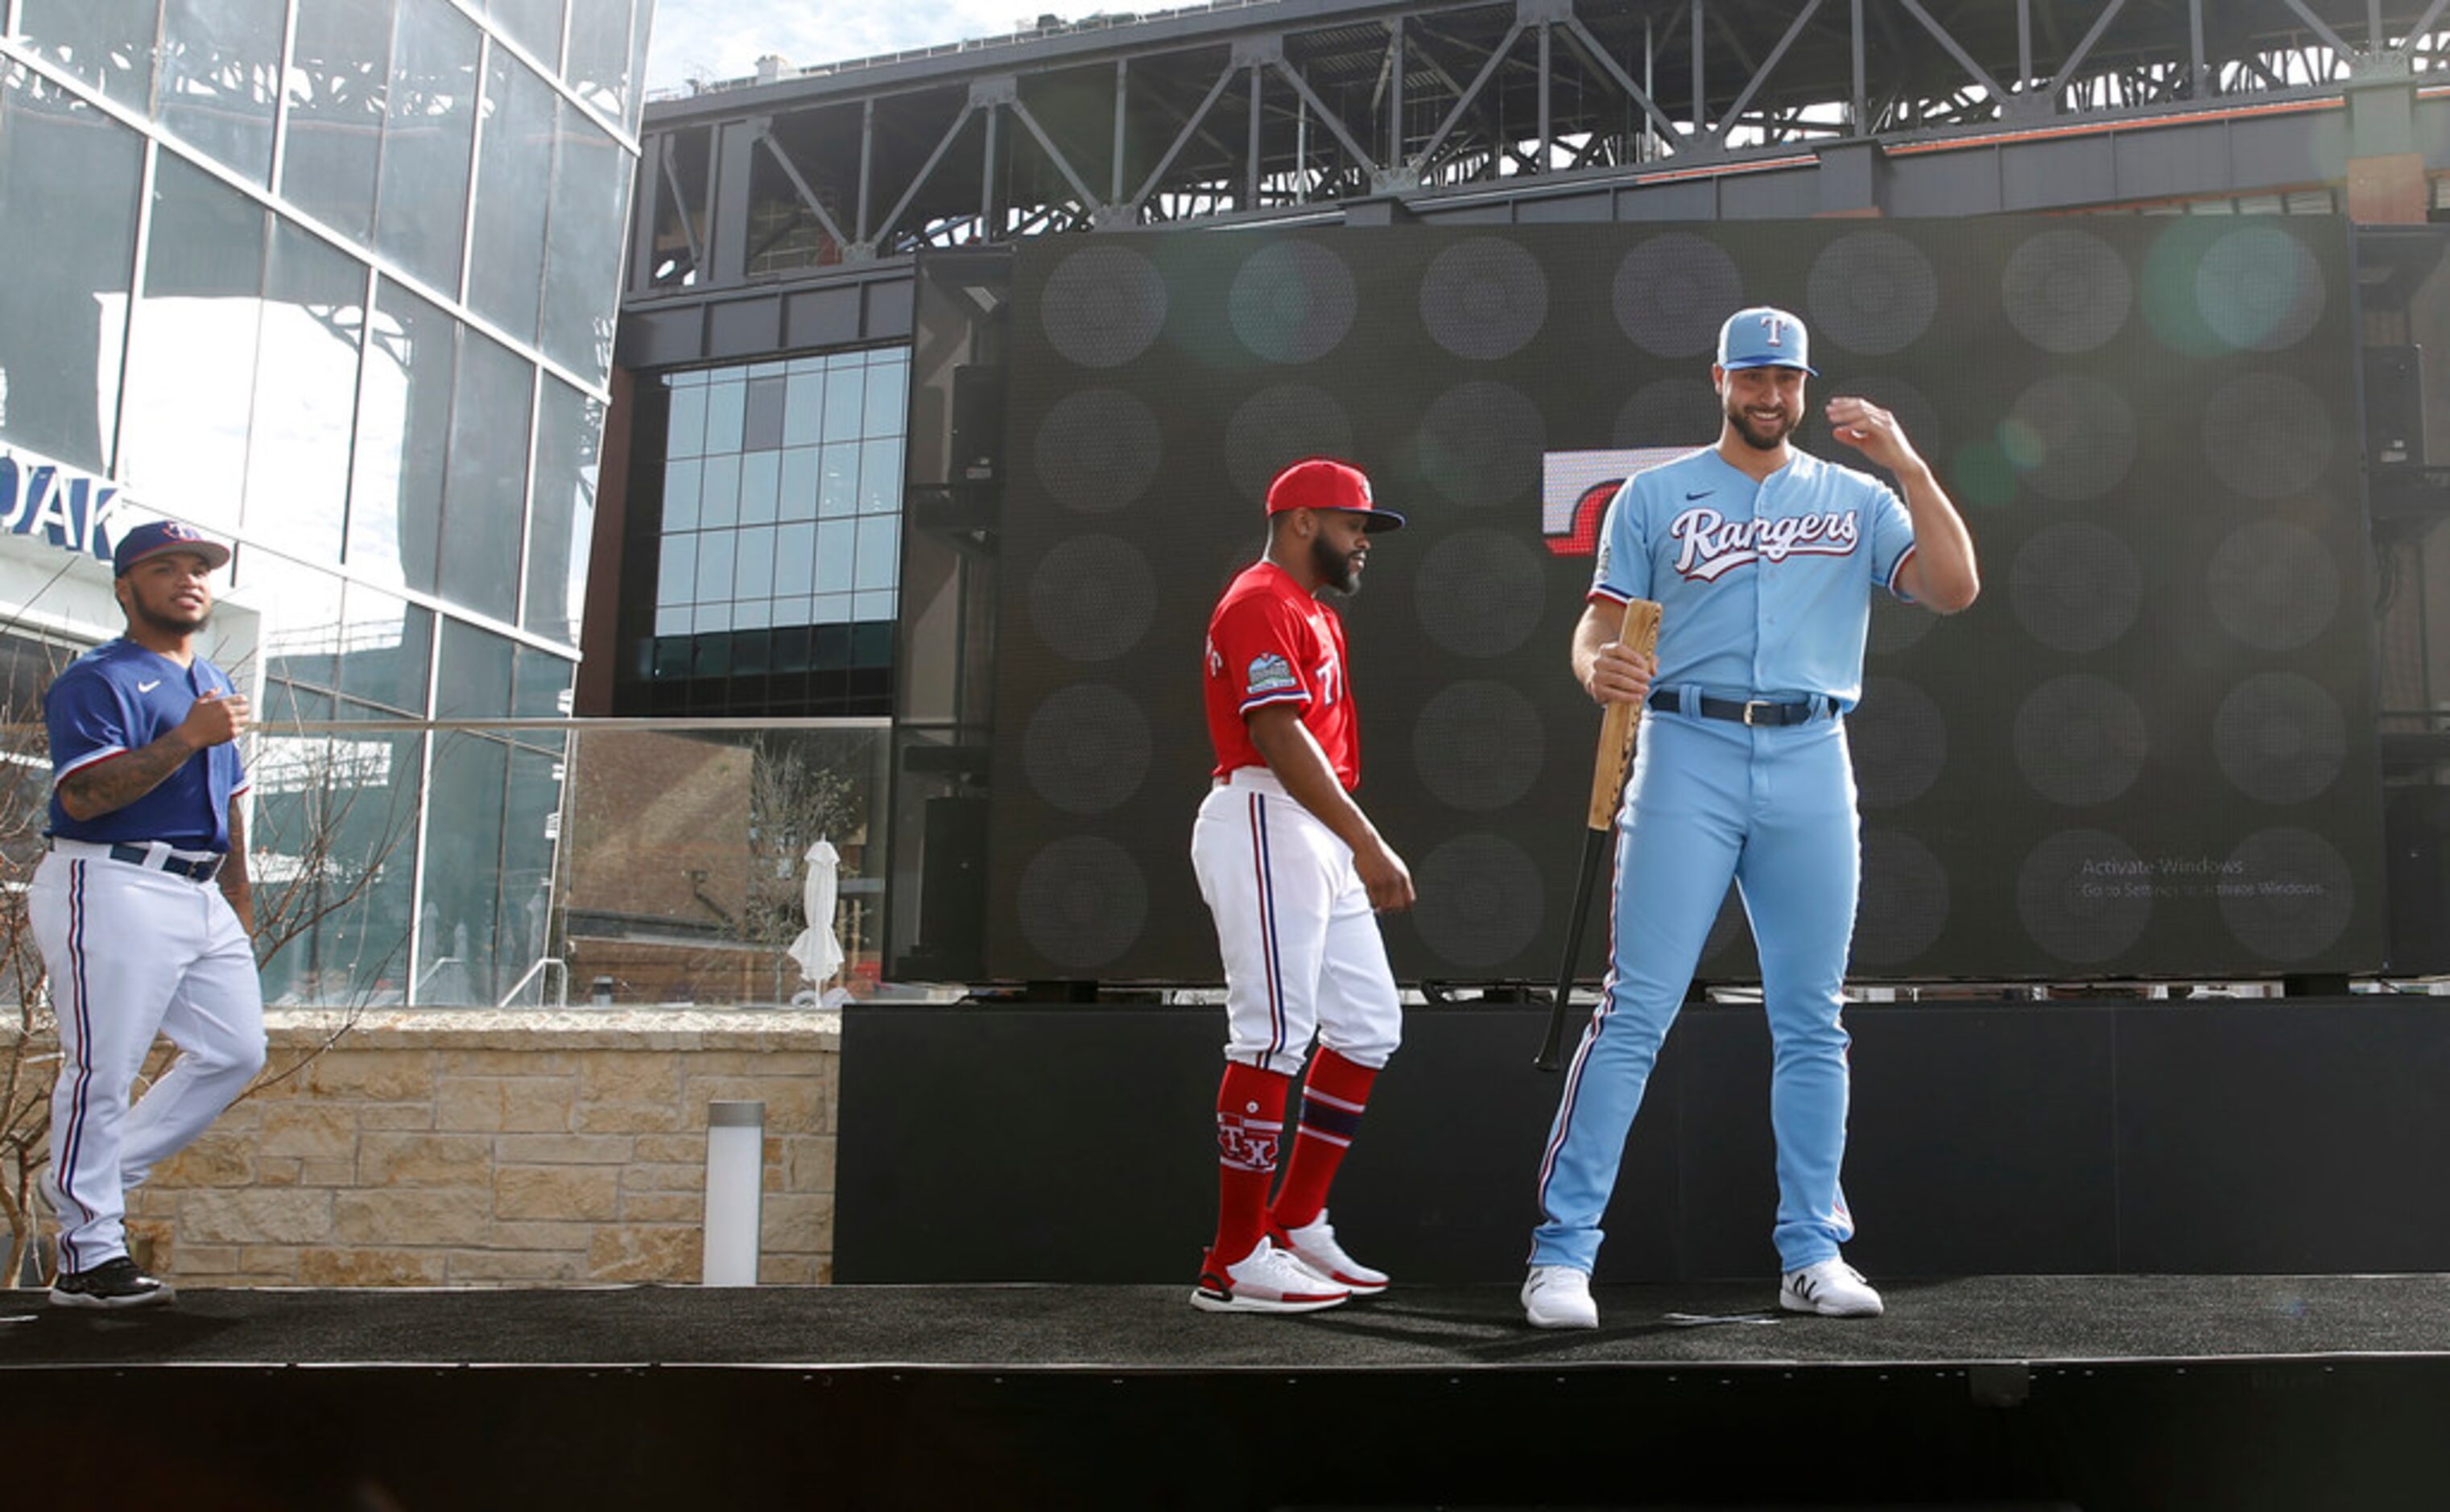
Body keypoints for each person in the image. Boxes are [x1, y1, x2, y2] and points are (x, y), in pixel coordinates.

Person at [1522, 308, 1980, 1329]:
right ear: (1719, 378)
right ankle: (1560, 1255)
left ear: (1806, 386)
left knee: (1812, 1018)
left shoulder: (1859, 495)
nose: (1769, 396)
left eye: (1787, 380)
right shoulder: (1653, 494)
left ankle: (1811, 1252)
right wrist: (1596, 665)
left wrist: (1909, 463)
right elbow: (1597, 620)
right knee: (1635, 1007)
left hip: (1812, 749)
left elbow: (1953, 587)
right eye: (1752, 377)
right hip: (1686, 747)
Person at [1187, 456, 1415, 1314]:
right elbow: (1277, 735)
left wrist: (1344, 834)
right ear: (1301, 521)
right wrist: (1366, 841)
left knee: (1365, 1026)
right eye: (1355, 525)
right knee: (1271, 1034)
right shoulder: (1257, 600)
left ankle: (1294, 1219)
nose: (1364, 542)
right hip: (1263, 814)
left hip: (1309, 825)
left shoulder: (1311, 611)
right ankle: (1234, 1258)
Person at [33, 520, 263, 1310]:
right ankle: (87, 1261)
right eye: (164, 567)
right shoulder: (98, 679)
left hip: (197, 893)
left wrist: (238, 894)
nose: (188, 578)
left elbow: (228, 800)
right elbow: (84, 795)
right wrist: (186, 737)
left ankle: (88, 1176)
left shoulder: (214, 678)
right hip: (110, 880)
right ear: (126, 586)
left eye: (198, 567)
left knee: (235, 1051)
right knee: (103, 1069)